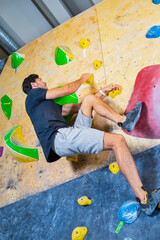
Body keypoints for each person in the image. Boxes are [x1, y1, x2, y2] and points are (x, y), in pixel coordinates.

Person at [22, 73, 160, 216]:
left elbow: (81, 107)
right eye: (40, 80)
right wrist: (82, 78)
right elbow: (69, 89)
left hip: (67, 135)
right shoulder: (33, 95)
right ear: (34, 85)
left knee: (89, 100)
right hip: (61, 137)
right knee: (117, 141)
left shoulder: (47, 106)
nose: (44, 82)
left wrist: (103, 91)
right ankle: (144, 199)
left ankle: (124, 120)